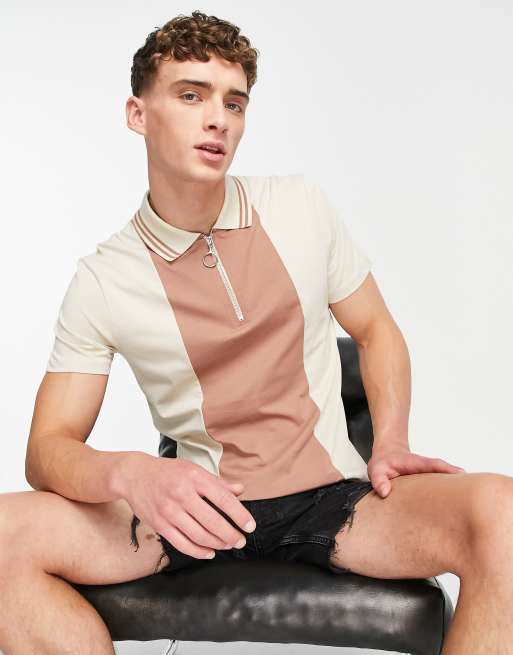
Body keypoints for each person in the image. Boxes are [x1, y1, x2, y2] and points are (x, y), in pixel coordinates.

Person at [1, 9, 512, 655]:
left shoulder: (300, 207)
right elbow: (46, 449)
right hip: (194, 513)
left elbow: (376, 329)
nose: (218, 118)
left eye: (233, 102)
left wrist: (390, 442)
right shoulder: (104, 278)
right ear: (138, 114)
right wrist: (128, 473)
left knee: (502, 511)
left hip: (337, 501)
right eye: (191, 95)